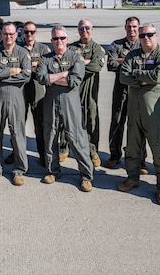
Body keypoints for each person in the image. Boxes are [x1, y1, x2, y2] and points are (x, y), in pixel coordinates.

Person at [118, 23, 160, 206]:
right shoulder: (133, 55)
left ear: (156, 36)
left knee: (158, 149)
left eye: (150, 34)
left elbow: (159, 76)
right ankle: (132, 177)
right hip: (134, 111)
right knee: (133, 147)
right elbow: (123, 76)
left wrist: (137, 75)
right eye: (142, 35)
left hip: (153, 113)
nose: (146, 38)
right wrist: (145, 78)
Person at [36, 26, 94, 193]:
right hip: (51, 102)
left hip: (71, 103)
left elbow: (75, 80)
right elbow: (41, 77)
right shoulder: (46, 58)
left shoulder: (76, 57)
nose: (59, 41)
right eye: (55, 39)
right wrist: (63, 74)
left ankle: (86, 175)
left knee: (77, 137)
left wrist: (52, 78)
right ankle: (52, 171)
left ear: (67, 40)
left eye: (62, 38)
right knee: (50, 135)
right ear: (51, 41)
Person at [0, 22, 31, 185]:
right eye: (5, 33)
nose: (8, 36)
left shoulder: (23, 53)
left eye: (11, 34)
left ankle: (19, 169)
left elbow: (26, 75)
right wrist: (12, 71)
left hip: (16, 98)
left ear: (17, 35)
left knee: (17, 132)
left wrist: (2, 75)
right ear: (1, 35)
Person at [105, 16, 147, 172]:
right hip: (121, 90)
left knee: (139, 125)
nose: (132, 30)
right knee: (117, 122)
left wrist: (124, 61)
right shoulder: (117, 45)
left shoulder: (144, 43)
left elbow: (148, 64)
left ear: (139, 27)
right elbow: (111, 64)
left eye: (135, 27)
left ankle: (141, 159)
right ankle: (114, 155)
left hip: (138, 91)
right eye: (129, 26)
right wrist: (133, 62)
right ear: (125, 27)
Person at [66, 19, 106, 166]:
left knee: (91, 118)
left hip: (90, 90)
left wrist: (78, 64)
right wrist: (85, 62)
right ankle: (65, 147)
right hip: (72, 89)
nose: (84, 30)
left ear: (92, 29)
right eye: (81, 28)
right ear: (78, 30)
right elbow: (65, 65)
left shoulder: (97, 48)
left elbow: (96, 66)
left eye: (87, 27)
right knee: (68, 118)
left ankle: (92, 150)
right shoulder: (70, 47)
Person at [19, 21, 51, 167]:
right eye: (26, 32)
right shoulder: (18, 49)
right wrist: (34, 65)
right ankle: (17, 153)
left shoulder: (43, 49)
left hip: (38, 88)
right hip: (22, 89)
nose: (29, 35)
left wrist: (30, 65)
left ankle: (43, 154)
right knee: (18, 123)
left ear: (36, 33)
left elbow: (47, 67)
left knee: (40, 123)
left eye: (32, 32)